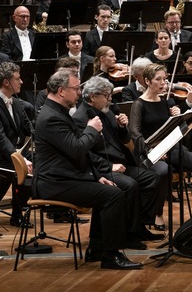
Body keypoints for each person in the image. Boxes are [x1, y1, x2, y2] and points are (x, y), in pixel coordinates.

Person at [34, 68, 142, 269]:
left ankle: (97, 249)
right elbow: (76, 149)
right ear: (61, 91)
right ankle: (111, 256)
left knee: (109, 191)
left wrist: (95, 176)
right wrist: (92, 129)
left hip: (65, 177)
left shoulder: (58, 112)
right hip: (54, 183)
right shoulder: (51, 117)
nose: (78, 93)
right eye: (75, 89)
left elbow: (76, 154)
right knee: (114, 195)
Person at [72, 76, 164, 251]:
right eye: (106, 95)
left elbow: (123, 139)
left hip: (120, 162)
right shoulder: (80, 118)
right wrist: (109, 166)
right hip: (100, 169)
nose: (110, 99)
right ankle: (128, 235)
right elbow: (84, 152)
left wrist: (122, 127)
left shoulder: (106, 111)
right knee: (130, 185)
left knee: (152, 179)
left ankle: (139, 227)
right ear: (92, 96)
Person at [129, 63, 192, 230]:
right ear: (148, 81)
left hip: (170, 148)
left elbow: (172, 128)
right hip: (148, 153)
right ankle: (157, 213)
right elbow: (135, 133)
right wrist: (151, 151)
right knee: (163, 171)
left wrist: (180, 113)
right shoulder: (138, 104)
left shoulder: (165, 102)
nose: (163, 83)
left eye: (165, 79)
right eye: (159, 79)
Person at [0, 62, 32, 231]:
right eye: (17, 79)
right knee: (19, 167)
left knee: (39, 162)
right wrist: (19, 158)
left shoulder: (16, 101)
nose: (21, 82)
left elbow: (27, 127)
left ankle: (18, 213)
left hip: (14, 152)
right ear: (6, 82)